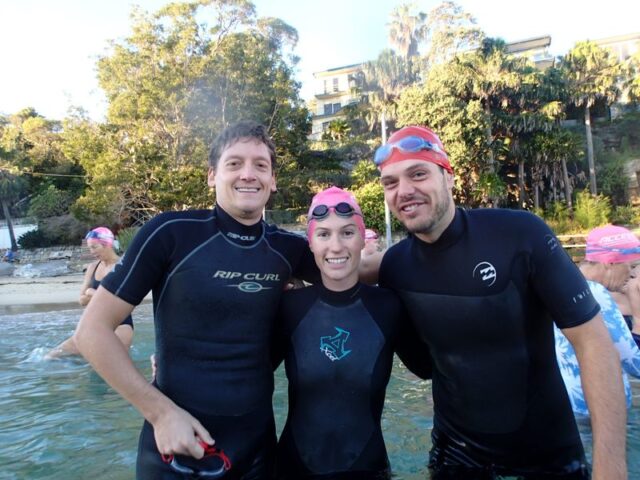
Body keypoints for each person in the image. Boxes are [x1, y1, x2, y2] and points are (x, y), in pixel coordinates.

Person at [372, 125, 626, 479]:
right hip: (455, 458)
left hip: (549, 457)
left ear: (448, 177)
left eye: (418, 174)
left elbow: (594, 343)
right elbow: (424, 367)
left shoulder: (520, 235)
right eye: (391, 183)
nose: (404, 191)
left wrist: (611, 468)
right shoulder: (395, 268)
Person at [74, 121, 321, 479]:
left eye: (260, 165)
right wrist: (159, 413)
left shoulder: (289, 249)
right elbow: (91, 332)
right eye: (234, 163)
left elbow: (352, 272)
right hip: (176, 446)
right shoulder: (171, 233)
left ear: (273, 180)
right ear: (212, 176)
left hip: (257, 449)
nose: (248, 174)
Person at [273, 187, 430, 480]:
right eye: (323, 234)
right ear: (311, 243)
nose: (336, 246)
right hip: (292, 469)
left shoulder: (389, 307)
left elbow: (430, 368)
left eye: (347, 232)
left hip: (369, 469)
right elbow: (245, 371)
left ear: (361, 239)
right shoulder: (288, 307)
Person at [555, 224, 640, 416]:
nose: (633, 274)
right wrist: (638, 317)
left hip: (570, 406)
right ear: (610, 262)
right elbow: (635, 364)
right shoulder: (596, 293)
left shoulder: (563, 284)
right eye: (632, 266)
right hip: (601, 411)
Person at [46, 227, 134, 359]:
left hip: (120, 325)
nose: (92, 252)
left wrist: (91, 292)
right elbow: (82, 300)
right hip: (94, 324)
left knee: (108, 365)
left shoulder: (123, 266)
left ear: (107, 244)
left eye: (94, 247)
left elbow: (122, 301)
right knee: (52, 356)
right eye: (89, 248)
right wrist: (96, 294)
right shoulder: (93, 267)